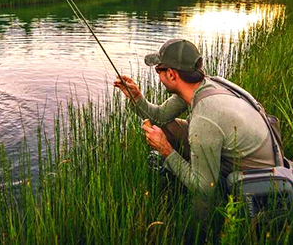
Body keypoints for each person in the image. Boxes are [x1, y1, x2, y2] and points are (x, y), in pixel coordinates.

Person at [114, 39, 277, 198]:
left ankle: (200, 220)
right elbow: (160, 117)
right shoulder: (203, 86)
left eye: (158, 70)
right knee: (167, 127)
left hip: (253, 182)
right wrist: (136, 97)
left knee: (201, 193)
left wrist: (165, 149)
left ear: (171, 74)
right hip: (242, 159)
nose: (158, 76)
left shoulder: (204, 118)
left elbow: (205, 189)